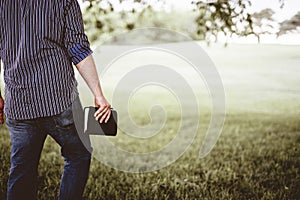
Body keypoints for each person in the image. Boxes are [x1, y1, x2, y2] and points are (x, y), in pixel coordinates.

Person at [0, 0, 111, 199]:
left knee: (22, 170)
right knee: (78, 155)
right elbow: (78, 48)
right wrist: (98, 94)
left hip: (18, 102)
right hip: (58, 101)